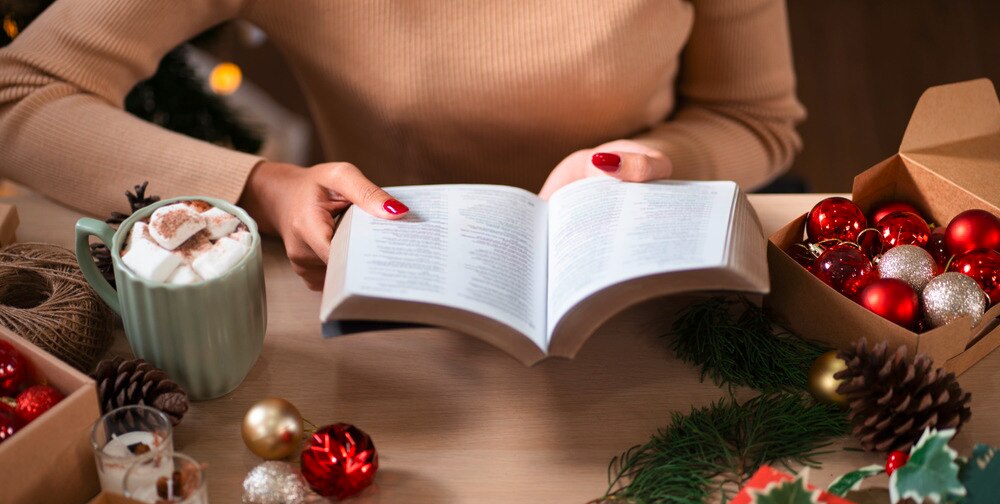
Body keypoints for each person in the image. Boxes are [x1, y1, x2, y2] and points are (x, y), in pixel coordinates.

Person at [0, 0, 804, 289]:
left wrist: (660, 163)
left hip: (644, 281)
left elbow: (757, 120)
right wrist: (259, 187)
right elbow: (20, 90)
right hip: (378, 287)